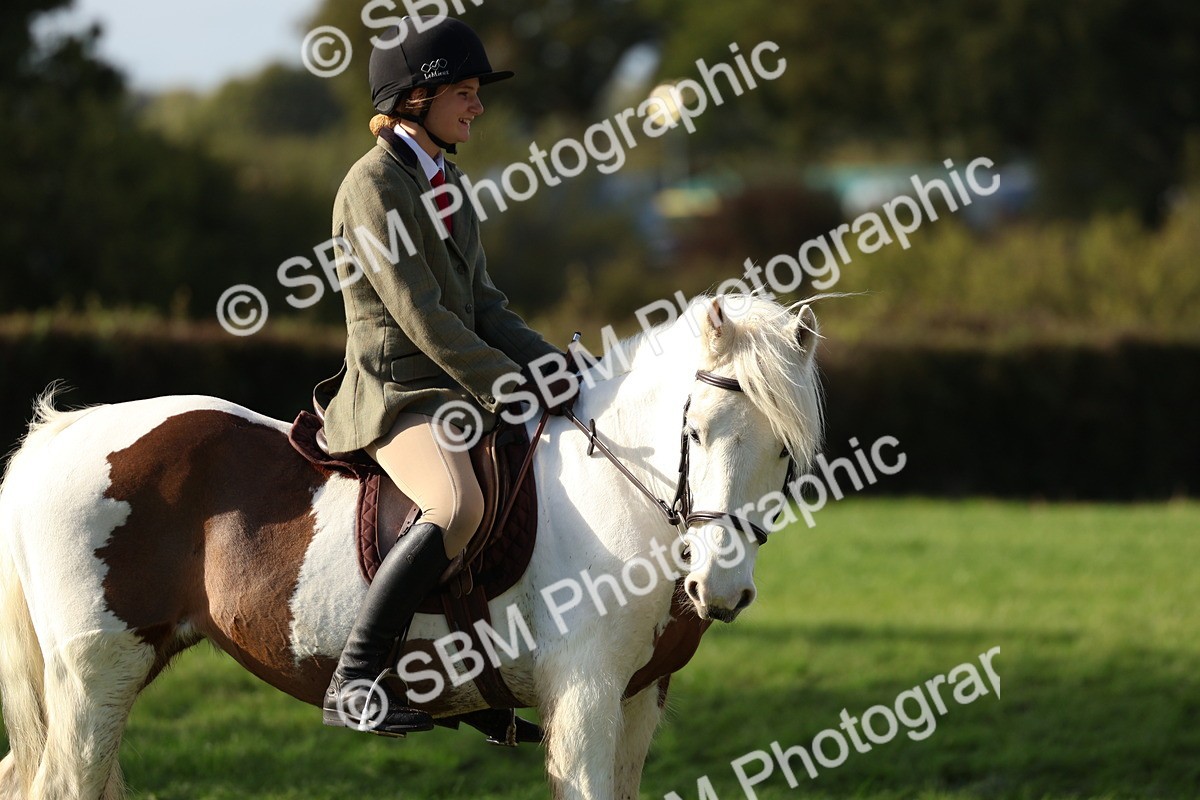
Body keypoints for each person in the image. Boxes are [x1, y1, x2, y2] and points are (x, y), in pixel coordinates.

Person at [315, 15, 577, 736]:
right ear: (415, 100)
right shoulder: (373, 187)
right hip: (395, 389)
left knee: (529, 475)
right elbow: (422, 316)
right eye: (464, 92)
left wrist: (548, 361)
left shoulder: (448, 183)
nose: (478, 106)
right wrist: (507, 385)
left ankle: (477, 681)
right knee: (456, 506)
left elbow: (484, 305)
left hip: (452, 385)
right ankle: (355, 682)